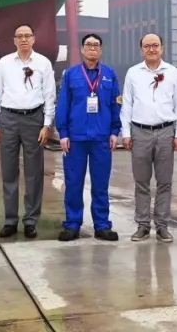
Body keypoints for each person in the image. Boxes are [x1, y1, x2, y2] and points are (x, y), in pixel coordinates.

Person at [0, 24, 56, 239]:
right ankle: (10, 220)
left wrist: (47, 124)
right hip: (8, 118)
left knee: (34, 172)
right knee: (9, 171)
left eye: (27, 35)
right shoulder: (5, 63)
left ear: (34, 39)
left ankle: (30, 220)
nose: (24, 39)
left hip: (34, 119)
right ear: (14, 40)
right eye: (20, 36)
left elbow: (49, 95)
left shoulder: (43, 63)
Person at [120, 33, 177, 243]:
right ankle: (143, 225)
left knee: (165, 182)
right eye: (147, 46)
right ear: (141, 50)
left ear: (162, 48)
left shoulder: (172, 72)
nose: (151, 49)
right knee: (141, 182)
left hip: (166, 132)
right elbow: (127, 104)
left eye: (155, 45)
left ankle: (162, 226)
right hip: (140, 132)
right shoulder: (133, 73)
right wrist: (126, 133)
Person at [56, 33, 120, 242]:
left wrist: (115, 131)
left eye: (96, 45)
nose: (92, 48)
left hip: (102, 138)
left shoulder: (109, 74)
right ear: (82, 49)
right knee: (73, 183)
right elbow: (63, 104)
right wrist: (63, 133)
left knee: (100, 185)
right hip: (76, 138)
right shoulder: (71, 74)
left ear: (100, 50)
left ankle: (102, 225)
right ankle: (72, 224)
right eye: (88, 45)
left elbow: (115, 104)